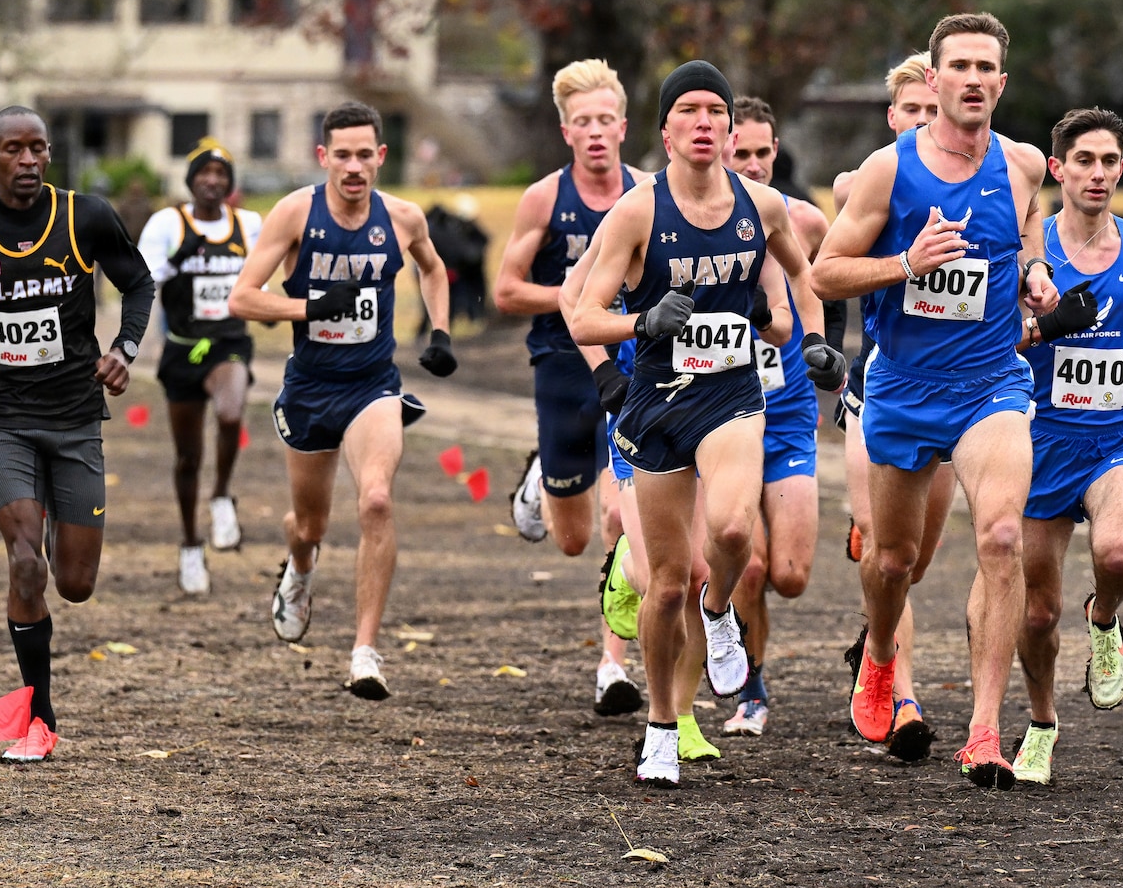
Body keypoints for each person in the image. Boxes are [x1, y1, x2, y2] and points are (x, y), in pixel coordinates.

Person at [814, 13, 1091, 789]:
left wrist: (1036, 273)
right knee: (893, 558)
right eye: (959, 66)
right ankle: (877, 653)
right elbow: (825, 273)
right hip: (902, 388)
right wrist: (906, 262)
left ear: (1003, 81)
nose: (973, 79)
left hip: (991, 385)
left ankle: (983, 733)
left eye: (987, 67)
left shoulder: (1023, 164)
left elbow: (1027, 232)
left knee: (1001, 536)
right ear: (932, 81)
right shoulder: (887, 171)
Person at [570, 60, 845, 786]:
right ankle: (662, 725)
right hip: (656, 403)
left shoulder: (763, 206)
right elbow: (583, 314)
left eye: (713, 111)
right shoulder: (637, 212)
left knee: (730, 534)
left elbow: (805, 278)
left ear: (730, 127)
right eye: (687, 110)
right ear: (665, 130)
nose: (702, 122)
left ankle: (720, 610)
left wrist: (813, 336)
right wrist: (642, 319)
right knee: (663, 584)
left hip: (731, 398)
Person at [0, 106, 154, 762]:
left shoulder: (86, 217)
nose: (31, 161)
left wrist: (124, 349)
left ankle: (45, 574)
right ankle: (39, 718)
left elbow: (138, 284)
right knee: (24, 562)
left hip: (75, 420)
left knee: (74, 583)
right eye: (15, 149)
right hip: (4, 420)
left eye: (39, 148)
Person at [227, 101, 457, 700]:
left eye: (365, 155)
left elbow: (435, 271)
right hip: (309, 387)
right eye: (343, 155)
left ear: (381, 157)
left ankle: (364, 652)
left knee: (376, 500)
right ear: (323, 157)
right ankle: (299, 569)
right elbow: (244, 299)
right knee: (310, 524)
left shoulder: (403, 218)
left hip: (372, 385)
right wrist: (311, 308)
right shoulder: (295, 214)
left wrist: (440, 333)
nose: (354, 167)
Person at [1010, 108, 1123, 784]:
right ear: (1057, 170)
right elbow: (990, 340)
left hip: (1117, 437)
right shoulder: (1029, 255)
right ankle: (1040, 722)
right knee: (1034, 610)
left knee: (1115, 553)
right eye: (1083, 160)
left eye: (1109, 161)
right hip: (1037, 442)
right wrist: (1050, 325)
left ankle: (1104, 617)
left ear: (1122, 168)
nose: (1097, 173)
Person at [493, 59, 650, 716]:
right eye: (581, 122)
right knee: (572, 538)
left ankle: (612, 668)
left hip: (629, 368)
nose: (594, 132)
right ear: (566, 132)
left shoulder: (647, 193)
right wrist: (570, 296)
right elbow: (504, 290)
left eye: (604, 120)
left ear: (623, 125)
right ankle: (541, 477)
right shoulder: (543, 199)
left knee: (623, 517)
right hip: (561, 364)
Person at [829, 52, 953, 762]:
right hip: (878, 383)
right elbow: (831, 260)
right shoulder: (868, 180)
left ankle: (870, 641)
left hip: (955, 390)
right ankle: (900, 697)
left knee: (911, 561)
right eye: (911, 111)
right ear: (893, 117)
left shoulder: (977, 182)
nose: (923, 123)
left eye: (932, 111)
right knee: (884, 544)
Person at [720, 96, 828, 739]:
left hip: (787, 408)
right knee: (750, 565)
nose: (755, 166)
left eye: (765, 153)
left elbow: (823, 282)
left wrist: (821, 347)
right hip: (724, 407)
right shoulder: (695, 220)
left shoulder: (805, 221)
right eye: (743, 153)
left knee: (789, 575)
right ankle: (750, 690)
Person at [138, 139, 263, 595]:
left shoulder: (247, 224)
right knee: (188, 457)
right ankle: (191, 545)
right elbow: (142, 280)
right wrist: (179, 256)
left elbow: (261, 275)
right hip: (183, 348)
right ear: (191, 180)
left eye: (221, 174)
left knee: (231, 413)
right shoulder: (167, 223)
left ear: (230, 183)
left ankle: (223, 495)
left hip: (228, 342)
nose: (213, 181)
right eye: (204, 173)